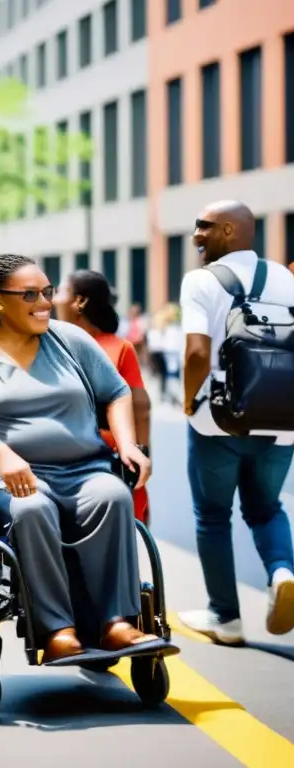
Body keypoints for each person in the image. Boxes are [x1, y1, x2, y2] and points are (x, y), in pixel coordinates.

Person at [0, 253, 160, 663]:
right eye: (29, 294)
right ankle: (56, 630)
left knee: (113, 496)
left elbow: (117, 393)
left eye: (48, 292)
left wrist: (127, 444)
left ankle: (115, 622)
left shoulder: (70, 340)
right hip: (15, 475)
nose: (44, 302)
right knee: (32, 509)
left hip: (85, 469)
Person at [178, 200, 294, 644]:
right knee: (267, 508)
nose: (196, 237)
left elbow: (195, 353)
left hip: (218, 422)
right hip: (280, 420)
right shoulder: (284, 277)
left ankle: (225, 617)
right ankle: (281, 571)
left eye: (204, 227)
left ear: (230, 230)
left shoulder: (201, 282)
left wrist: (189, 402)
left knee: (212, 515)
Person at [54, 270, 151, 524]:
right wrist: (142, 454)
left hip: (61, 462)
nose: (53, 299)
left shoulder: (48, 345)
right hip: (109, 462)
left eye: (61, 291)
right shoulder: (120, 348)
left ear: (80, 302)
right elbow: (141, 408)